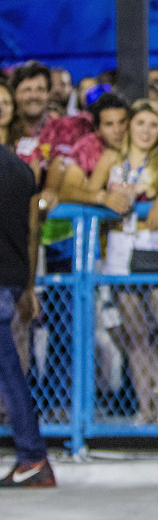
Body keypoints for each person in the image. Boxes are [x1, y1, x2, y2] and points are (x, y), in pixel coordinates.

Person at [86, 100, 158, 424]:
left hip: (156, 248)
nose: (146, 131)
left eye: (154, 125)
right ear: (130, 126)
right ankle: (145, 408)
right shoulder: (110, 159)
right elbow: (86, 192)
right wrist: (104, 198)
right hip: (119, 252)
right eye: (141, 123)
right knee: (136, 334)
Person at [0, 141, 54, 488]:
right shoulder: (20, 169)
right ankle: (33, 455)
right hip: (11, 280)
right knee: (7, 370)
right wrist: (27, 284)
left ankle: (33, 455)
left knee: (8, 372)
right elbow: (31, 232)